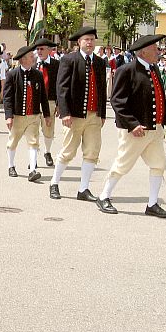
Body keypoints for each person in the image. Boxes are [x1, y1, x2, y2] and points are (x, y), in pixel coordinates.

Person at [95, 34, 166, 218]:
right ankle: (104, 195)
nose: (158, 51)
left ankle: (152, 204)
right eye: (155, 48)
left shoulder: (154, 69)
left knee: (159, 164)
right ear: (143, 51)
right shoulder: (127, 70)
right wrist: (132, 124)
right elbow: (117, 101)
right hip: (136, 130)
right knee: (123, 163)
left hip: (154, 128)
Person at [49, 27, 107, 201]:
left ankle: (83, 189)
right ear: (79, 42)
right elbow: (62, 87)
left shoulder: (99, 62)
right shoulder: (69, 60)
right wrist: (65, 112)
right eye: (86, 40)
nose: (89, 43)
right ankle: (54, 183)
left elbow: (102, 90)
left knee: (92, 152)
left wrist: (102, 113)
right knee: (68, 151)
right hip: (74, 115)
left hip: (93, 115)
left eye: (92, 40)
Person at [3, 45, 51, 182]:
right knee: (13, 142)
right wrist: (8, 116)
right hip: (17, 116)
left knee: (33, 142)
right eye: (31, 56)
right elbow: (7, 97)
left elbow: (43, 96)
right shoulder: (12, 74)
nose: (34, 57)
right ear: (23, 60)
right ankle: (11, 165)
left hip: (33, 116)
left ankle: (33, 170)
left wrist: (47, 115)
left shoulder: (38, 74)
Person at [34, 38, 59, 166]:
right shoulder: (33, 64)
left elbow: (60, 85)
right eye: (37, 49)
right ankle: (33, 157)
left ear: (49, 50)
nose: (39, 51)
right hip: (34, 102)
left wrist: (59, 104)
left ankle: (47, 152)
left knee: (48, 128)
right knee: (33, 129)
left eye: (42, 49)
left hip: (49, 101)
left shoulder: (56, 65)